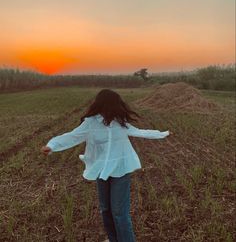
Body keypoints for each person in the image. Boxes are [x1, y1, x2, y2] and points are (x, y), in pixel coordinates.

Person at [41, 89, 172, 242]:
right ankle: (113, 239)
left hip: (120, 169)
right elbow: (72, 136)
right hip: (101, 170)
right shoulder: (90, 123)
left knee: (119, 212)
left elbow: (141, 132)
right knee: (106, 209)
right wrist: (52, 145)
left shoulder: (120, 123)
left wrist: (163, 134)